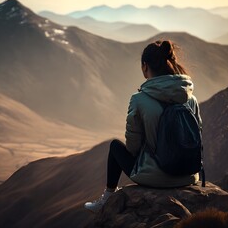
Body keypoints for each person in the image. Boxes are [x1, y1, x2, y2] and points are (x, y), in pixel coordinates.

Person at [84, 40, 202, 213]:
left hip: (156, 177)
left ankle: (108, 198)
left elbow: (133, 146)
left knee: (115, 146)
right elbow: (197, 134)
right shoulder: (190, 98)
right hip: (189, 175)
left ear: (145, 66)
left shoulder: (139, 99)